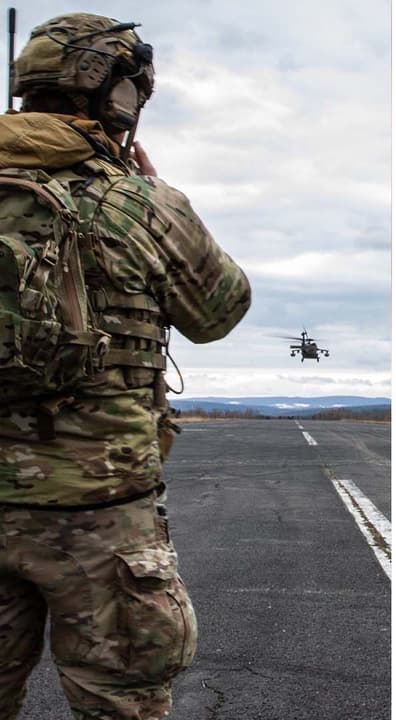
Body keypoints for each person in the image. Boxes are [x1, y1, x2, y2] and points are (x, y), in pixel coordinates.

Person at [0, 14, 251, 719]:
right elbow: (219, 313)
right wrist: (160, 198)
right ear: (119, 100)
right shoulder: (139, 204)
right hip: (102, 524)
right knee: (121, 706)